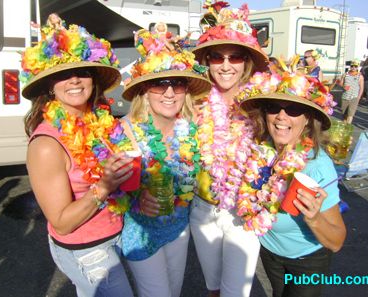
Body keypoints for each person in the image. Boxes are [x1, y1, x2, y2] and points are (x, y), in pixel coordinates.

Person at [21, 24, 134, 297]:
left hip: (116, 235)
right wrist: (104, 187)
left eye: (82, 72)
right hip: (88, 251)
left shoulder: (99, 121)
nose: (74, 80)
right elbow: (61, 222)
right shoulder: (46, 145)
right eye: (63, 73)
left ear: (93, 79)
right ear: (50, 85)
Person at [237, 66, 346, 297]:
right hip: (270, 253)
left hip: (307, 261)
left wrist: (314, 217)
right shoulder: (261, 151)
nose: (282, 116)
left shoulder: (317, 165)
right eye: (274, 107)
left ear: (307, 120)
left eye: (294, 109)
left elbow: (337, 241)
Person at [120, 26, 211, 297]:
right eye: (159, 83)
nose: (169, 92)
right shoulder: (127, 130)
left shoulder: (193, 127)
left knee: (174, 291)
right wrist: (135, 197)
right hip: (141, 233)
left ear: (186, 91)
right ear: (144, 91)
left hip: (179, 229)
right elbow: (109, 187)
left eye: (178, 83)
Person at [190, 2, 269, 297]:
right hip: (201, 209)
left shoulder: (261, 101)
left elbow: (293, 131)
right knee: (213, 288)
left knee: (234, 293)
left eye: (234, 56)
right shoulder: (194, 99)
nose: (225, 65)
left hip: (242, 212)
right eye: (217, 57)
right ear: (207, 61)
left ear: (246, 60)